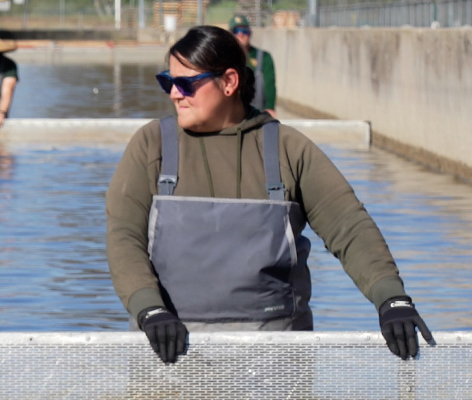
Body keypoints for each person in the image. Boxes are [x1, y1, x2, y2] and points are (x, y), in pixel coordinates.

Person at [105, 26, 434, 364]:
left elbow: (349, 227)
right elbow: (123, 237)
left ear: (230, 82)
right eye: (167, 81)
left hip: (276, 357)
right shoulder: (150, 146)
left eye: (187, 83)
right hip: (168, 351)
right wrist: (149, 309)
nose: (174, 93)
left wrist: (391, 300)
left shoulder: (288, 149)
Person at [229, 15, 276, 118]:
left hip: (257, 112)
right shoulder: (225, 57)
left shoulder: (263, 57)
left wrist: (270, 108)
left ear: (250, 33)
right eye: (236, 31)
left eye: (244, 31)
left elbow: (270, 84)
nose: (241, 34)